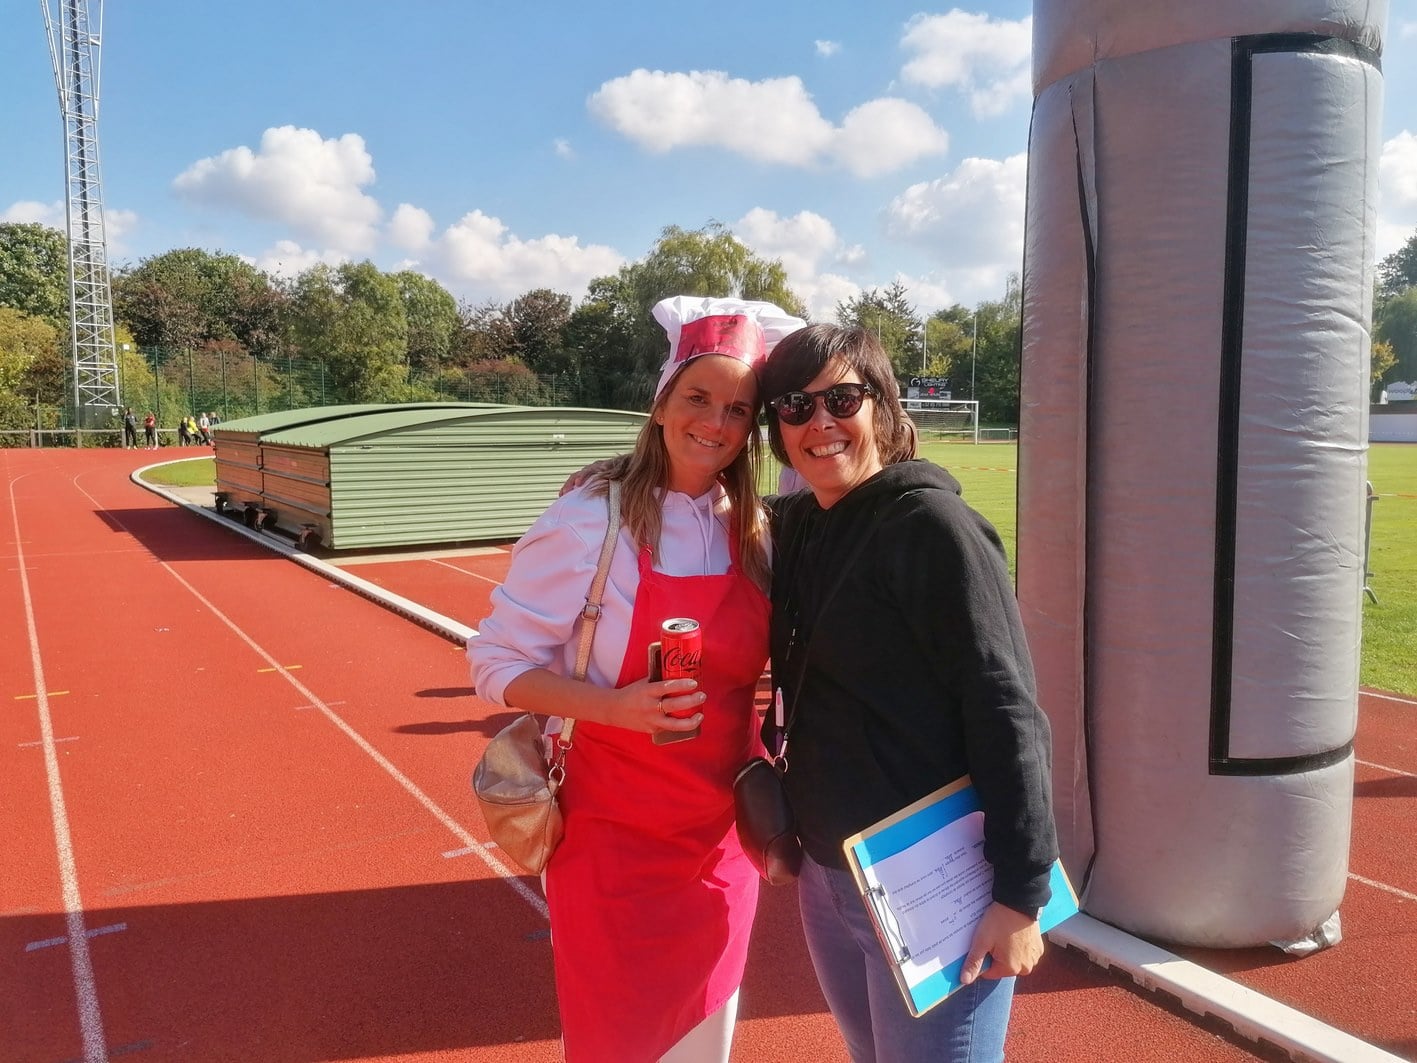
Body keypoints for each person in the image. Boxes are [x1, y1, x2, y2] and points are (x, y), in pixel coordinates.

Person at [467, 295, 805, 1063]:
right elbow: (494, 663)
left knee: (704, 1040)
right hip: (609, 843)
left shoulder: (755, 529)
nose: (714, 423)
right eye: (697, 398)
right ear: (659, 403)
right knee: (613, 1042)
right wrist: (612, 707)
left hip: (719, 845)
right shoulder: (589, 519)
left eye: (736, 409)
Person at [759, 323, 1058, 1063]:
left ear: (882, 407)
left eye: (841, 399)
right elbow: (704, 495)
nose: (819, 421)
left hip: (936, 878)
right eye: (795, 405)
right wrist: (620, 475)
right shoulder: (805, 524)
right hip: (832, 872)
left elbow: (1006, 710)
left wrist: (1021, 896)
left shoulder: (932, 527)